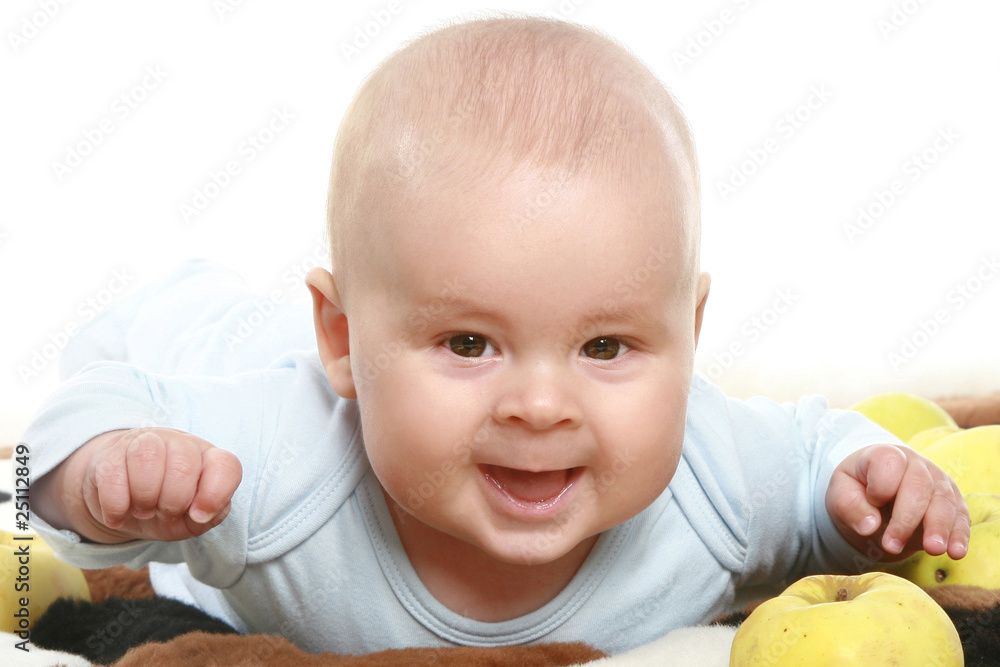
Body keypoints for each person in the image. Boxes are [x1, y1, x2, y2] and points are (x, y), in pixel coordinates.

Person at [27, 15, 969, 654]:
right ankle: (196, 298)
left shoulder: (713, 477)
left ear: (688, 335)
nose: (540, 404)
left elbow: (816, 459)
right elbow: (47, 456)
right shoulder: (272, 459)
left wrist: (873, 480)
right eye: (470, 343)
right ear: (345, 338)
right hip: (227, 347)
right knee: (183, 329)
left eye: (606, 347)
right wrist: (106, 468)